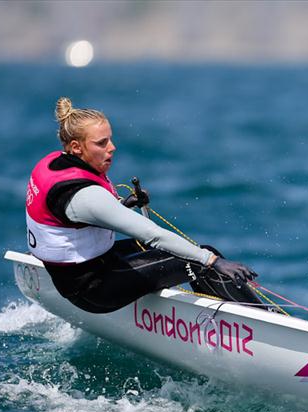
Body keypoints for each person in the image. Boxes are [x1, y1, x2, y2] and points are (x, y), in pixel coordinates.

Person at [25, 97, 259, 313]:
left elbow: (74, 219)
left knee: (185, 253)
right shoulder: (84, 196)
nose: (112, 147)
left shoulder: (56, 163)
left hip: (84, 270)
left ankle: (219, 316)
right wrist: (212, 261)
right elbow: (152, 234)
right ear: (76, 147)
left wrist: (122, 206)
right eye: (101, 142)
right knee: (203, 259)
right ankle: (260, 322)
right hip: (94, 291)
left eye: (111, 138)